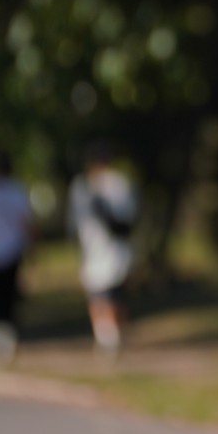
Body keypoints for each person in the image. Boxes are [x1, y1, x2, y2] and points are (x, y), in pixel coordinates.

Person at [67, 142, 139, 353]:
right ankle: (108, 338)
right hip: (102, 251)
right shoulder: (86, 186)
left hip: (107, 250)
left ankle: (109, 337)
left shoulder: (108, 185)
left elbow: (125, 223)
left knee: (107, 297)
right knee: (104, 296)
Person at [0, 152, 35, 362]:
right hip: (12, 250)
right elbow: (25, 222)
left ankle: (3, 336)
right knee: (7, 295)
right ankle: (6, 335)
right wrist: (32, 248)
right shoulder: (16, 190)